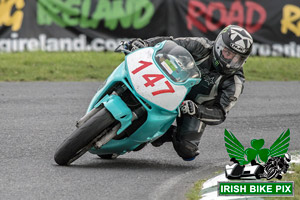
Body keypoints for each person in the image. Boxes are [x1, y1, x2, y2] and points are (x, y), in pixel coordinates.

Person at [127, 25, 253, 161]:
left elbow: (220, 114)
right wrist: (145, 43)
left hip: (192, 107)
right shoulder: (201, 46)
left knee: (187, 150)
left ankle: (164, 132)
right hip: (169, 86)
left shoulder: (235, 81)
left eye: (236, 58)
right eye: (228, 53)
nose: (229, 61)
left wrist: (197, 110)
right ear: (219, 46)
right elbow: (170, 43)